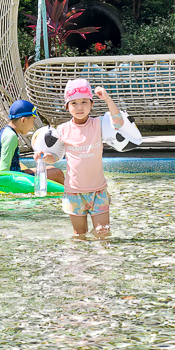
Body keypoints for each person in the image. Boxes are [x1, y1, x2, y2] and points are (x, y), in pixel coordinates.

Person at [36, 78, 122, 237]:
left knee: (103, 233)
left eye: (84, 102)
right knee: (79, 235)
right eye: (74, 103)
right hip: (74, 193)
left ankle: (104, 261)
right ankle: (80, 261)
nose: (79, 107)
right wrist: (44, 156)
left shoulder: (98, 124)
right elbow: (55, 157)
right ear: (67, 106)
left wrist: (107, 99)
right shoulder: (63, 130)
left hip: (98, 191)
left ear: (92, 104)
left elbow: (118, 123)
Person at [0, 100, 65, 184]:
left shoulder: (5, 132)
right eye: (33, 121)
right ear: (23, 120)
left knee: (50, 168)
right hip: (8, 182)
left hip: (12, 176)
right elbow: (3, 170)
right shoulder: (11, 136)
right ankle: (69, 195)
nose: (33, 125)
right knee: (57, 173)